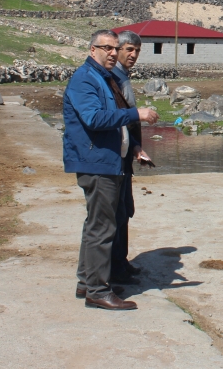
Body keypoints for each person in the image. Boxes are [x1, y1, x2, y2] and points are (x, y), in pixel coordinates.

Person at [64, 29, 158, 310]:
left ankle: (88, 281)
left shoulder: (103, 79)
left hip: (108, 161)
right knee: (103, 227)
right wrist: (136, 113)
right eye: (107, 48)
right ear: (92, 50)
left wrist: (134, 146)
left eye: (116, 48)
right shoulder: (85, 79)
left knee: (97, 224)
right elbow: (94, 118)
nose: (114, 53)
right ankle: (97, 290)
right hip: (97, 162)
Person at [110, 30, 153, 284]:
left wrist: (136, 147)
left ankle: (121, 262)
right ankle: (114, 269)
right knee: (115, 213)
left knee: (124, 210)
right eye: (129, 49)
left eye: (137, 50)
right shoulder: (111, 78)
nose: (133, 55)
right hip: (114, 156)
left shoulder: (122, 76)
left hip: (126, 153)